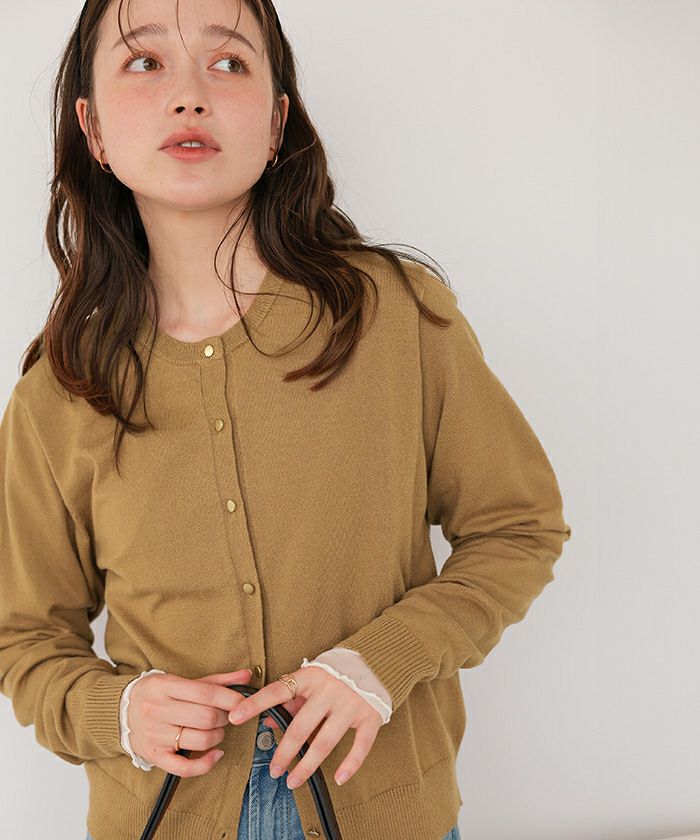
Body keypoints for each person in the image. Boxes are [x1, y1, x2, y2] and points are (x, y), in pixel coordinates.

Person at [0, 0, 572, 838]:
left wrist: (382, 662)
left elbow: (517, 528)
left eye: (228, 62)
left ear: (276, 125)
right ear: (92, 129)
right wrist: (117, 711)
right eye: (145, 62)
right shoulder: (59, 393)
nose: (189, 94)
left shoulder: (395, 316)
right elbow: (23, 638)